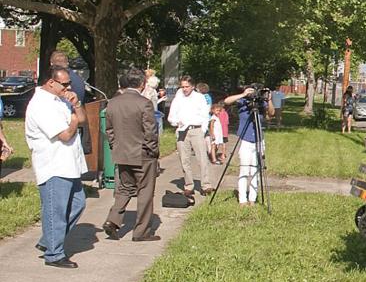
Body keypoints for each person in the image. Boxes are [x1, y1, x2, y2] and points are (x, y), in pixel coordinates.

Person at [25, 67, 88, 268]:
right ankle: (54, 253)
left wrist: (76, 105)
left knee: (78, 204)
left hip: (70, 163)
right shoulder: (41, 104)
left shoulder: (59, 100)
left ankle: (48, 241)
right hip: (53, 164)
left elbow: (84, 120)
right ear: (50, 82)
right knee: (56, 211)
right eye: (64, 84)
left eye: (69, 83)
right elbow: (64, 135)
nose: (68, 87)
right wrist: (74, 121)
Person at [101, 67, 160, 242]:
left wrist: (115, 146)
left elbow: (109, 130)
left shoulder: (113, 102)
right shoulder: (144, 103)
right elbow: (150, 131)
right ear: (142, 84)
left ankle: (113, 220)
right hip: (142, 154)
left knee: (124, 189)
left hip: (122, 153)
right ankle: (141, 231)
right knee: (145, 192)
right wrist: (153, 150)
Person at [223, 86, 274, 206]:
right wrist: (243, 94)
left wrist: (269, 100)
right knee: (244, 169)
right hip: (245, 140)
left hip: (258, 140)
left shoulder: (261, 103)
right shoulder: (243, 102)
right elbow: (227, 101)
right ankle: (242, 200)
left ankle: (252, 198)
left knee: (256, 170)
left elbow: (271, 114)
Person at [167, 75, 213, 204]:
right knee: (184, 159)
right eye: (183, 87)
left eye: (187, 86)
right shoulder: (178, 98)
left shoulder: (199, 98)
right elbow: (171, 116)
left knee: (202, 158)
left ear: (192, 86)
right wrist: (176, 122)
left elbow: (205, 115)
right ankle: (188, 185)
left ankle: (206, 185)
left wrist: (203, 130)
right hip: (182, 130)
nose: (185, 89)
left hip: (196, 129)